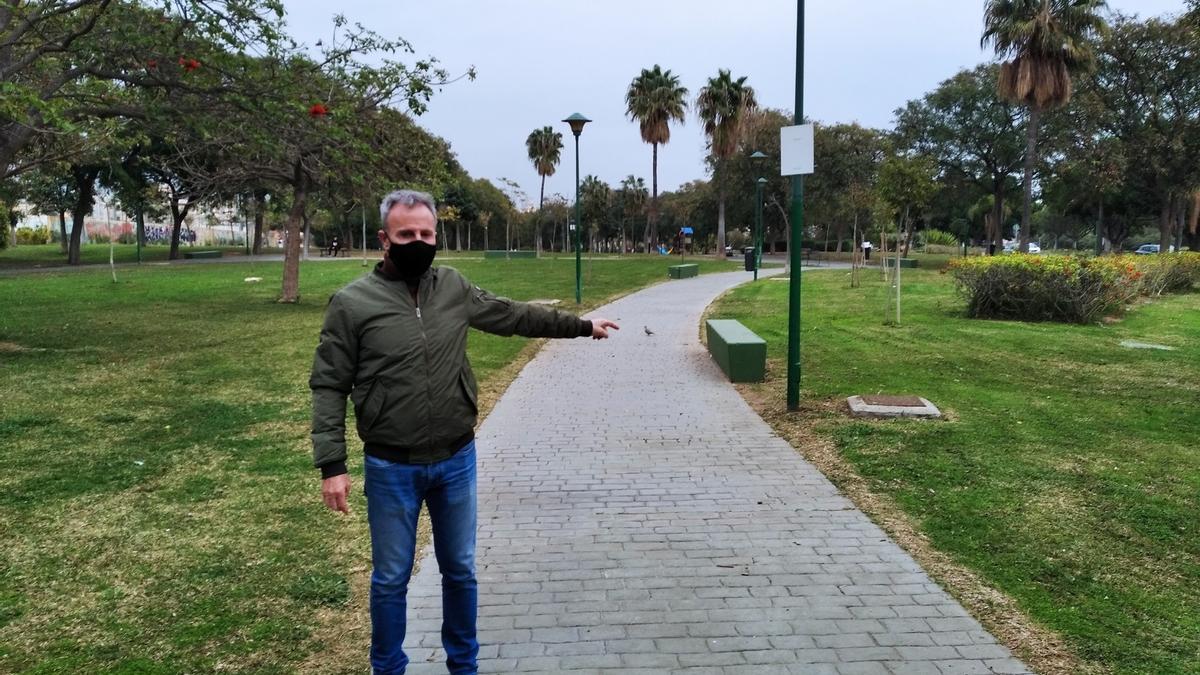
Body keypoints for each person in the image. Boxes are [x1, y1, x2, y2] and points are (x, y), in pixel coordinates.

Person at [310, 189, 618, 675]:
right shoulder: (352, 303)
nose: (418, 241)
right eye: (406, 234)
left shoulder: (452, 286)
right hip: (391, 465)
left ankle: (464, 666)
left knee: (460, 571)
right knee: (390, 579)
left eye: (426, 233)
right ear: (384, 239)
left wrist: (581, 325)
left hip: (456, 459)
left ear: (437, 235)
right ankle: (387, 668)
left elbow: (513, 315)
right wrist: (333, 465)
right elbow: (329, 384)